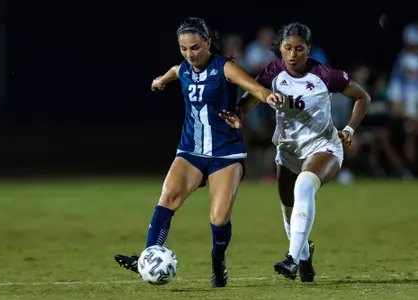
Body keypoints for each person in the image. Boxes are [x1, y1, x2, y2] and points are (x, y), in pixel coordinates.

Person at [114, 17, 284, 288]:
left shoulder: (224, 67)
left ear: (207, 43)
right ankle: (147, 257)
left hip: (225, 153)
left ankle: (218, 260)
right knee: (167, 198)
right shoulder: (183, 68)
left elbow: (253, 87)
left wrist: (269, 97)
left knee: (218, 218)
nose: (189, 54)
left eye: (194, 48)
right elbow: (174, 70)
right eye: (183, 48)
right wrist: (160, 80)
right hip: (191, 149)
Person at [219, 22, 370, 282]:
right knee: (289, 208)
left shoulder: (326, 75)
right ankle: (303, 255)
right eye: (287, 48)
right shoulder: (273, 72)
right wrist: (238, 115)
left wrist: (349, 129)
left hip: (324, 146)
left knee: (304, 186)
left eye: (299, 49)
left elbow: (362, 97)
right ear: (280, 49)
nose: (292, 54)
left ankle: (290, 259)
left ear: (308, 50)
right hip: (288, 150)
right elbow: (252, 96)